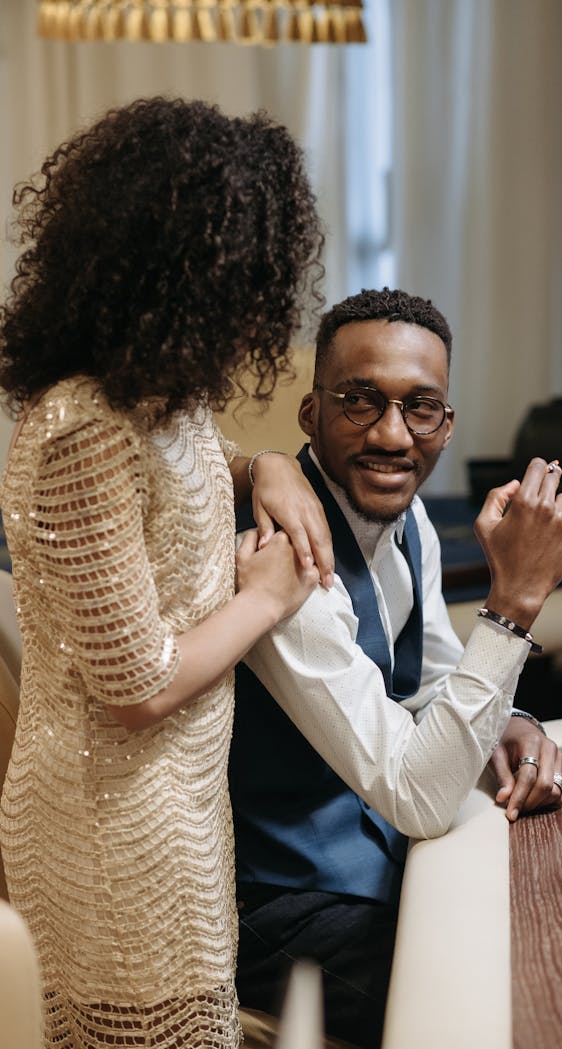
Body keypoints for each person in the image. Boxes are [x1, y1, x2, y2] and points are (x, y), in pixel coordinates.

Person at [0, 96, 335, 1049]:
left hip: (175, 794)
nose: (252, 320)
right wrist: (266, 595)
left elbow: (191, 464)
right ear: (176, 279)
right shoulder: (81, 427)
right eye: (241, 289)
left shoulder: (156, 400)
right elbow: (137, 686)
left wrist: (261, 461)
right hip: (109, 816)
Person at [229, 287, 562, 1049]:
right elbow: (421, 798)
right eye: (360, 400)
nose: (393, 435)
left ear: (446, 424)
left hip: (383, 858)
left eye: (421, 407)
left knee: (551, 906)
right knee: (504, 998)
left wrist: (515, 721)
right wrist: (515, 602)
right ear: (310, 413)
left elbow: (429, 679)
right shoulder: (280, 557)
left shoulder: (408, 514)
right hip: (278, 906)